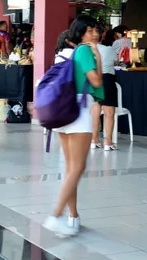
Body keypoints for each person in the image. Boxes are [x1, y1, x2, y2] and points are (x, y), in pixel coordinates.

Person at [42, 15, 104, 237]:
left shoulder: (73, 52)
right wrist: (98, 56)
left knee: (71, 169)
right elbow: (96, 81)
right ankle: (55, 215)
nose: (94, 34)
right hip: (80, 110)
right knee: (77, 168)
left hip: (64, 109)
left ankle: (73, 217)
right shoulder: (85, 51)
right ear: (80, 33)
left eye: (95, 30)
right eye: (89, 30)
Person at [94, 28, 118, 151]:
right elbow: (116, 61)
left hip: (92, 78)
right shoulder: (108, 49)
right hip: (107, 79)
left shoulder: (86, 50)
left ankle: (94, 140)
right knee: (109, 112)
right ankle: (108, 142)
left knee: (95, 111)